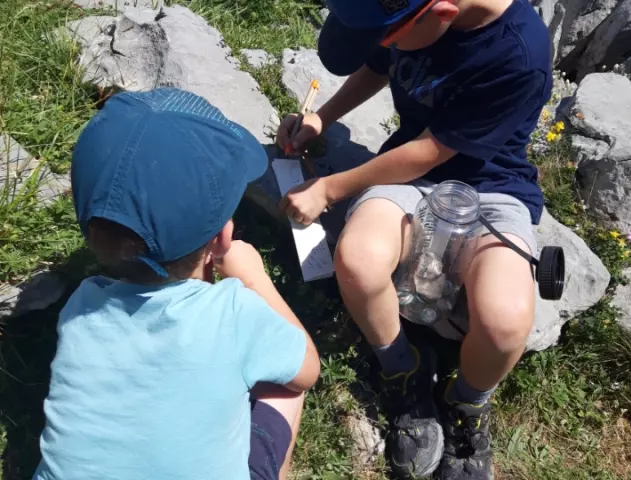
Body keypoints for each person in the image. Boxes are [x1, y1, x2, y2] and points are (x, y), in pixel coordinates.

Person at [276, 0, 551, 478]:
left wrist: (329, 187)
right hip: (407, 181)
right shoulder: (411, 13)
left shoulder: (519, 53)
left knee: (506, 322)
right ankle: (403, 366)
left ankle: (467, 402)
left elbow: (428, 152)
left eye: (390, 37)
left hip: (491, 188)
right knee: (358, 260)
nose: (387, 46)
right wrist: (322, 116)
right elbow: (375, 66)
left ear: (442, 13)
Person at [33, 88, 320, 480]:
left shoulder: (81, 307)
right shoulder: (234, 313)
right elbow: (307, 369)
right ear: (222, 239)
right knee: (284, 389)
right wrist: (255, 278)